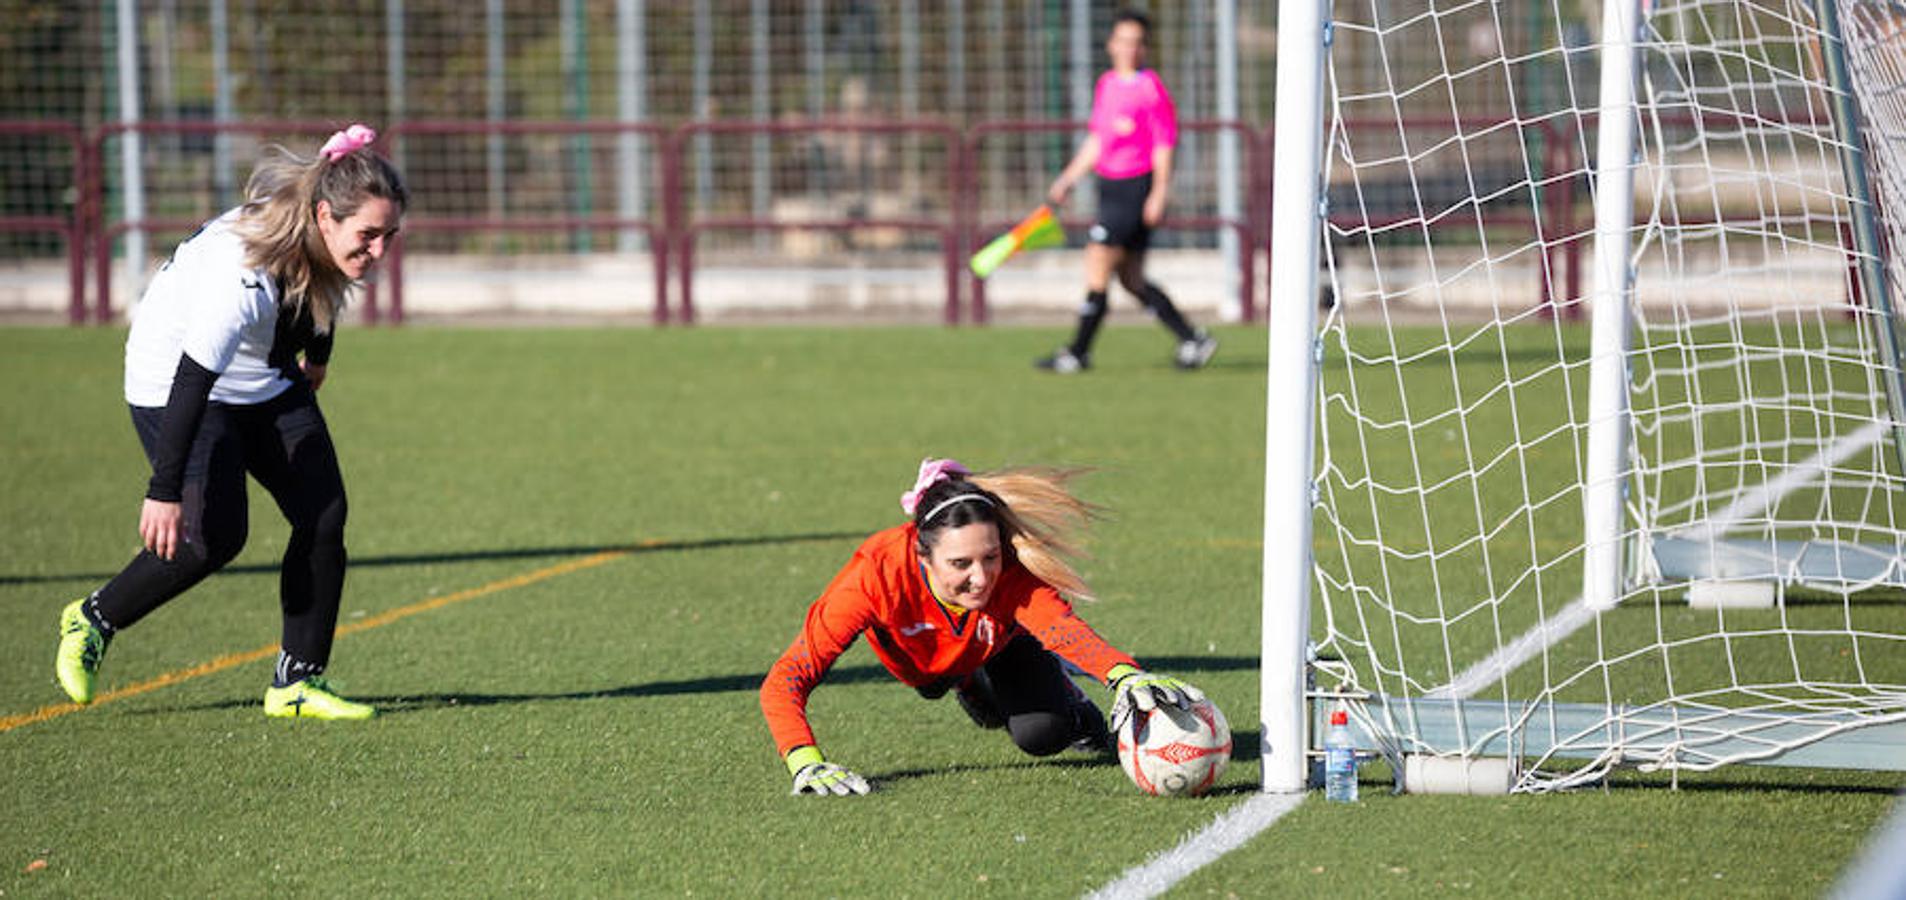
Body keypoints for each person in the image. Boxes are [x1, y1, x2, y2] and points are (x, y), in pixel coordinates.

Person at [54, 123, 407, 720]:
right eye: (369, 236)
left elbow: (320, 287)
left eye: (389, 236)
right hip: (173, 379)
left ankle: (296, 684)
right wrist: (163, 491)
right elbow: (193, 378)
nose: (379, 252)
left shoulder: (315, 234)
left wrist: (317, 357)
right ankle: (91, 619)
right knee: (210, 538)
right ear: (325, 217)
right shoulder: (245, 275)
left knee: (323, 513)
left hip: (259, 373)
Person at [760, 458, 1209, 795]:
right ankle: (967, 683)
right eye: (960, 563)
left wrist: (1123, 674)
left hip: (1003, 646)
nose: (981, 578)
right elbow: (785, 680)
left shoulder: (1009, 572)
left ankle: (1071, 703)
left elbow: (1061, 627)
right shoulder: (873, 578)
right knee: (933, 681)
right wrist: (805, 761)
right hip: (929, 666)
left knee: (1042, 734)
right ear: (923, 556)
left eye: (990, 557)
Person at [1037, 9, 1217, 374]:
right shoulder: (1107, 85)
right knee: (1131, 279)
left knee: (1097, 261)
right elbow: (1098, 141)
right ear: (1111, 44)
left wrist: (1159, 192)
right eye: (1123, 41)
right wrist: (1068, 178)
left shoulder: (1151, 89)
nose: (1128, 49)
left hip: (1136, 188)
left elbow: (1164, 144)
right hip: (1110, 188)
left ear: (1144, 48)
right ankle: (1192, 338)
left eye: (1136, 42)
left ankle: (1077, 352)